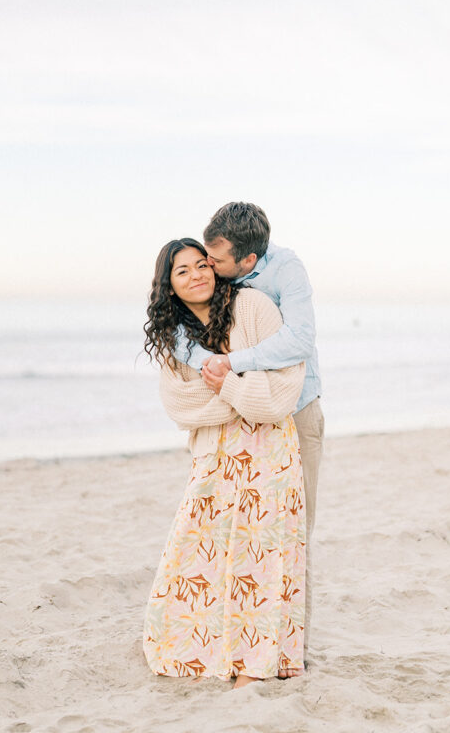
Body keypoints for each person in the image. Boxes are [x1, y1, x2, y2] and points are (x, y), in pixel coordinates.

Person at [142, 238, 307, 686]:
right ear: (169, 286)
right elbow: (181, 405)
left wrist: (228, 387)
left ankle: (253, 666)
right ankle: (203, 651)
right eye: (182, 271)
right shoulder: (174, 338)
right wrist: (244, 392)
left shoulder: (253, 307)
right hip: (213, 455)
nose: (196, 275)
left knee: (261, 560)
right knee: (198, 554)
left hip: (269, 452)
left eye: (202, 264)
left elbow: (284, 388)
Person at [172, 203, 324, 664]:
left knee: (292, 533)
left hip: (294, 411)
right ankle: (230, 641)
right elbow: (179, 330)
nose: (208, 269)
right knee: (228, 534)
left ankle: (287, 651)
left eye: (215, 263)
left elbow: (299, 341)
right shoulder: (213, 272)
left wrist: (232, 364)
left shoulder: (285, 272)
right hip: (231, 421)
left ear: (248, 262)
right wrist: (206, 363)